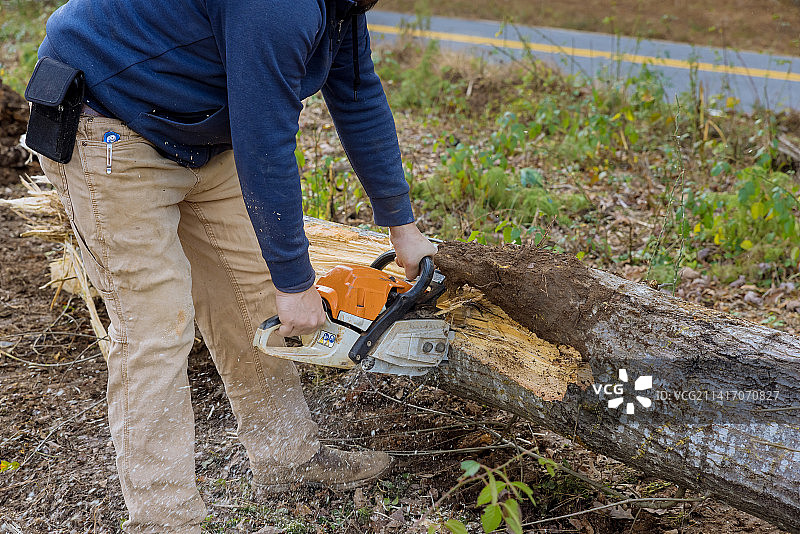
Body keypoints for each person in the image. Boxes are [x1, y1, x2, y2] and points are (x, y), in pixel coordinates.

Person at [30, 0, 437, 532]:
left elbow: (359, 99)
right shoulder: (277, 8)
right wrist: (296, 282)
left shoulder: (343, 5)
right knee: (156, 325)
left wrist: (402, 227)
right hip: (108, 119)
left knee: (253, 300)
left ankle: (288, 458)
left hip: (198, 126)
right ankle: (165, 520)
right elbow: (264, 138)